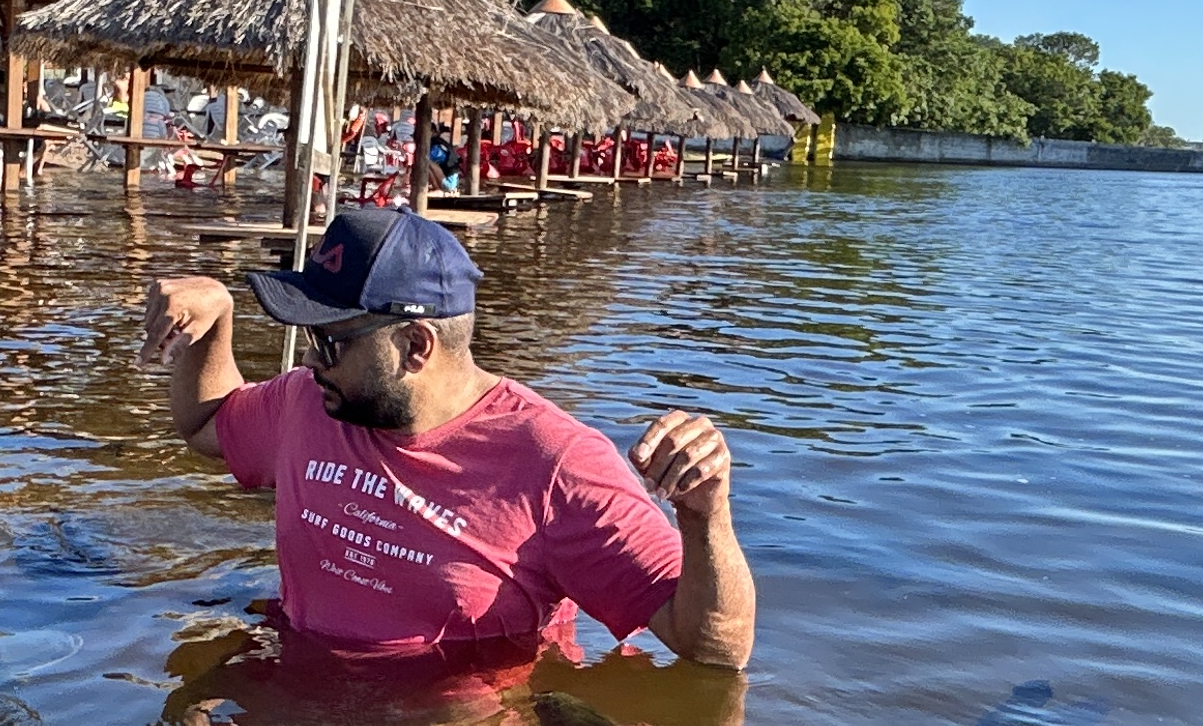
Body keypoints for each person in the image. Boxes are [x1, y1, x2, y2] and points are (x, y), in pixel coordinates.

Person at [140, 204, 753, 669]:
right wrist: (215, 323)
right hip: (311, 688)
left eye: (329, 340)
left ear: (414, 345)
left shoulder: (557, 463)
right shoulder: (312, 401)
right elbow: (206, 424)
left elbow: (715, 646)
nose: (310, 358)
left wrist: (706, 518)